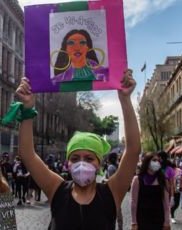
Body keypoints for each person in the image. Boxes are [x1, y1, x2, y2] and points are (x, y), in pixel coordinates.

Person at [15, 68, 140, 229]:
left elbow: (133, 150)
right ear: (68, 162)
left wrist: (125, 99)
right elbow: (27, 155)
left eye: (89, 158)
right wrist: (26, 109)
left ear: (99, 163)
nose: (81, 163)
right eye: (75, 158)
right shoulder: (57, 189)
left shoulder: (112, 192)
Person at [131, 152, 170, 230]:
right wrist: (134, 222)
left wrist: (167, 222)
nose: (157, 163)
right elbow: (133, 202)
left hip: (159, 218)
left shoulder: (163, 179)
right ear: (147, 162)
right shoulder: (137, 180)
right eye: (154, 160)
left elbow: (166, 202)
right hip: (142, 218)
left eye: (158, 161)